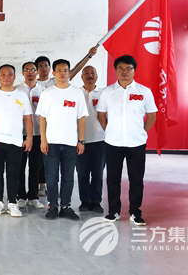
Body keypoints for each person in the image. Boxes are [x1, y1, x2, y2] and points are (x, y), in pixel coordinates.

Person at [97, 55, 157, 226]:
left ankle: (135, 212)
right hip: (113, 143)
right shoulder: (107, 92)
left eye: (128, 68)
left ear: (134, 70)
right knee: (112, 179)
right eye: (121, 68)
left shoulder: (144, 91)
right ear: (115, 70)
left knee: (136, 179)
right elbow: (101, 115)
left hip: (136, 143)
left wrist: (141, 131)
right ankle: (113, 211)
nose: (125, 72)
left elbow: (152, 115)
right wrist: (109, 130)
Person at [36, 59, 87, 221]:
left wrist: (81, 140)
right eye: (59, 70)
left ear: (69, 72)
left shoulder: (77, 93)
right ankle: (53, 206)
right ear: (54, 73)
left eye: (65, 70)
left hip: (71, 142)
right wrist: (43, 140)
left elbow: (81, 118)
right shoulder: (47, 93)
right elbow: (42, 119)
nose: (63, 73)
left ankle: (66, 206)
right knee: (51, 177)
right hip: (51, 142)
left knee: (68, 177)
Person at [0, 64, 33, 217]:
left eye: (9, 74)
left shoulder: (22, 95)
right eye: (3, 74)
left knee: (14, 174)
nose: (6, 77)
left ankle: (12, 203)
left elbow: (27, 118)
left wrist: (29, 138)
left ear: (14, 76)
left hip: (16, 142)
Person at [16, 62, 46, 209]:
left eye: (33, 69)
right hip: (19, 134)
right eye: (26, 70)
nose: (30, 72)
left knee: (35, 167)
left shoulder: (44, 91)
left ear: (37, 72)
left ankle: (33, 197)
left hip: (38, 133)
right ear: (22, 73)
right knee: (19, 167)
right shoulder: (16, 90)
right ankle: (20, 196)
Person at [77, 66, 105, 214]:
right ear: (81, 77)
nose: (89, 75)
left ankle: (96, 202)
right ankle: (84, 201)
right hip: (80, 140)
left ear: (97, 76)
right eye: (86, 73)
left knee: (97, 173)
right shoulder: (76, 93)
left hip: (100, 139)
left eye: (92, 73)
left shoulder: (103, 93)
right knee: (82, 173)